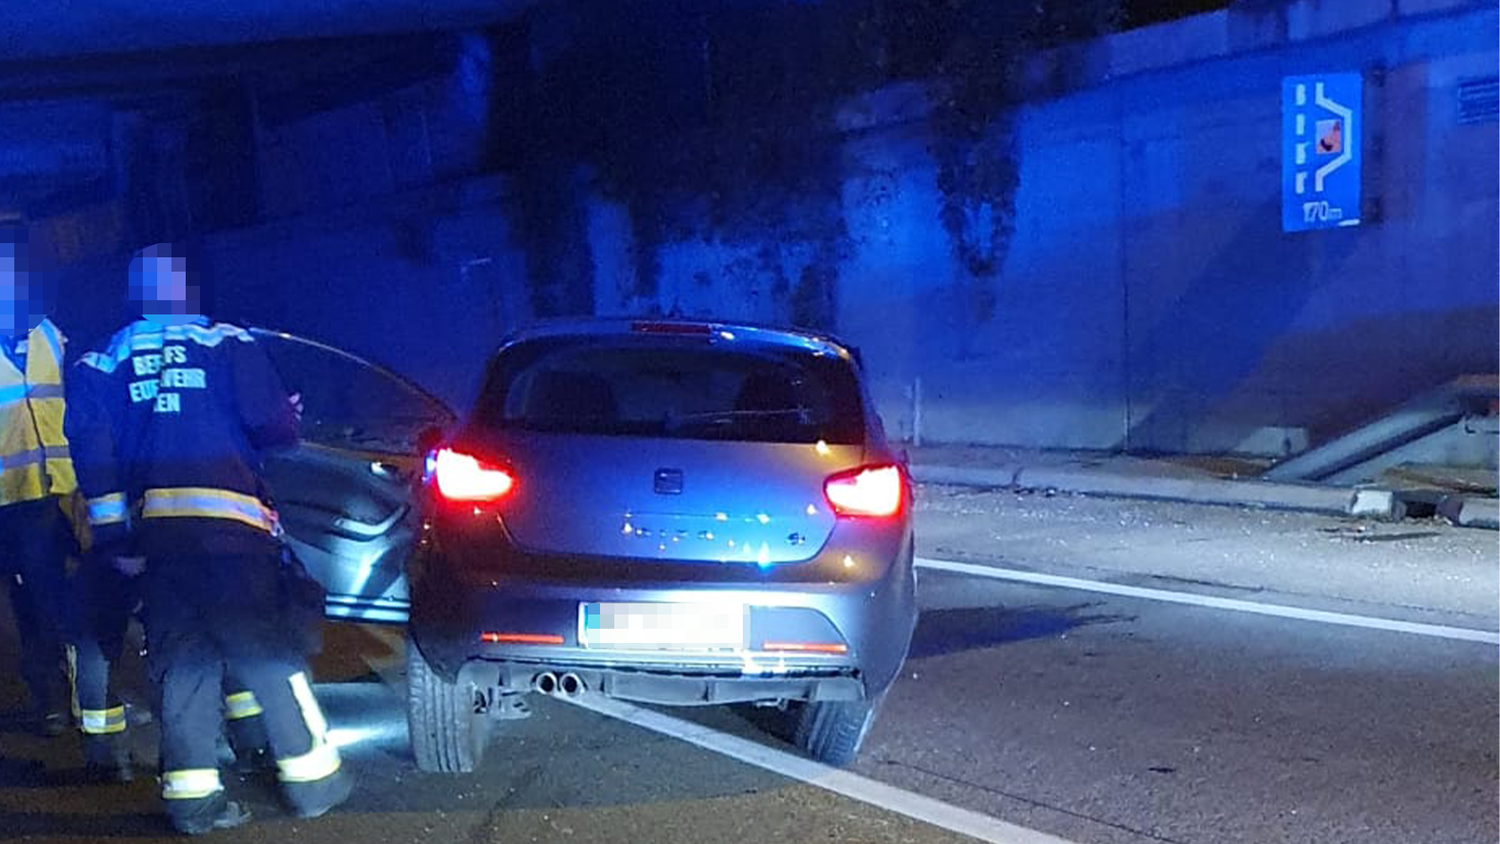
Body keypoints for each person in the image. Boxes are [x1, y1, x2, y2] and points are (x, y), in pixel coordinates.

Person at [66, 242, 351, 835]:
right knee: (267, 653)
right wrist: (286, 417)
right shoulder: (226, 342)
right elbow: (272, 426)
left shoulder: (102, 360)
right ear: (186, 289)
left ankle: (193, 802)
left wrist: (115, 541)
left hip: (156, 542)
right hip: (231, 534)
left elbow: (94, 455)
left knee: (183, 663)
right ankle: (314, 782)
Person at [0, 225, 74, 739]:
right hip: (9, 497)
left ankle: (64, 700)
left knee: (50, 598)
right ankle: (52, 696)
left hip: (53, 494)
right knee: (31, 600)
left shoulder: (51, 335)